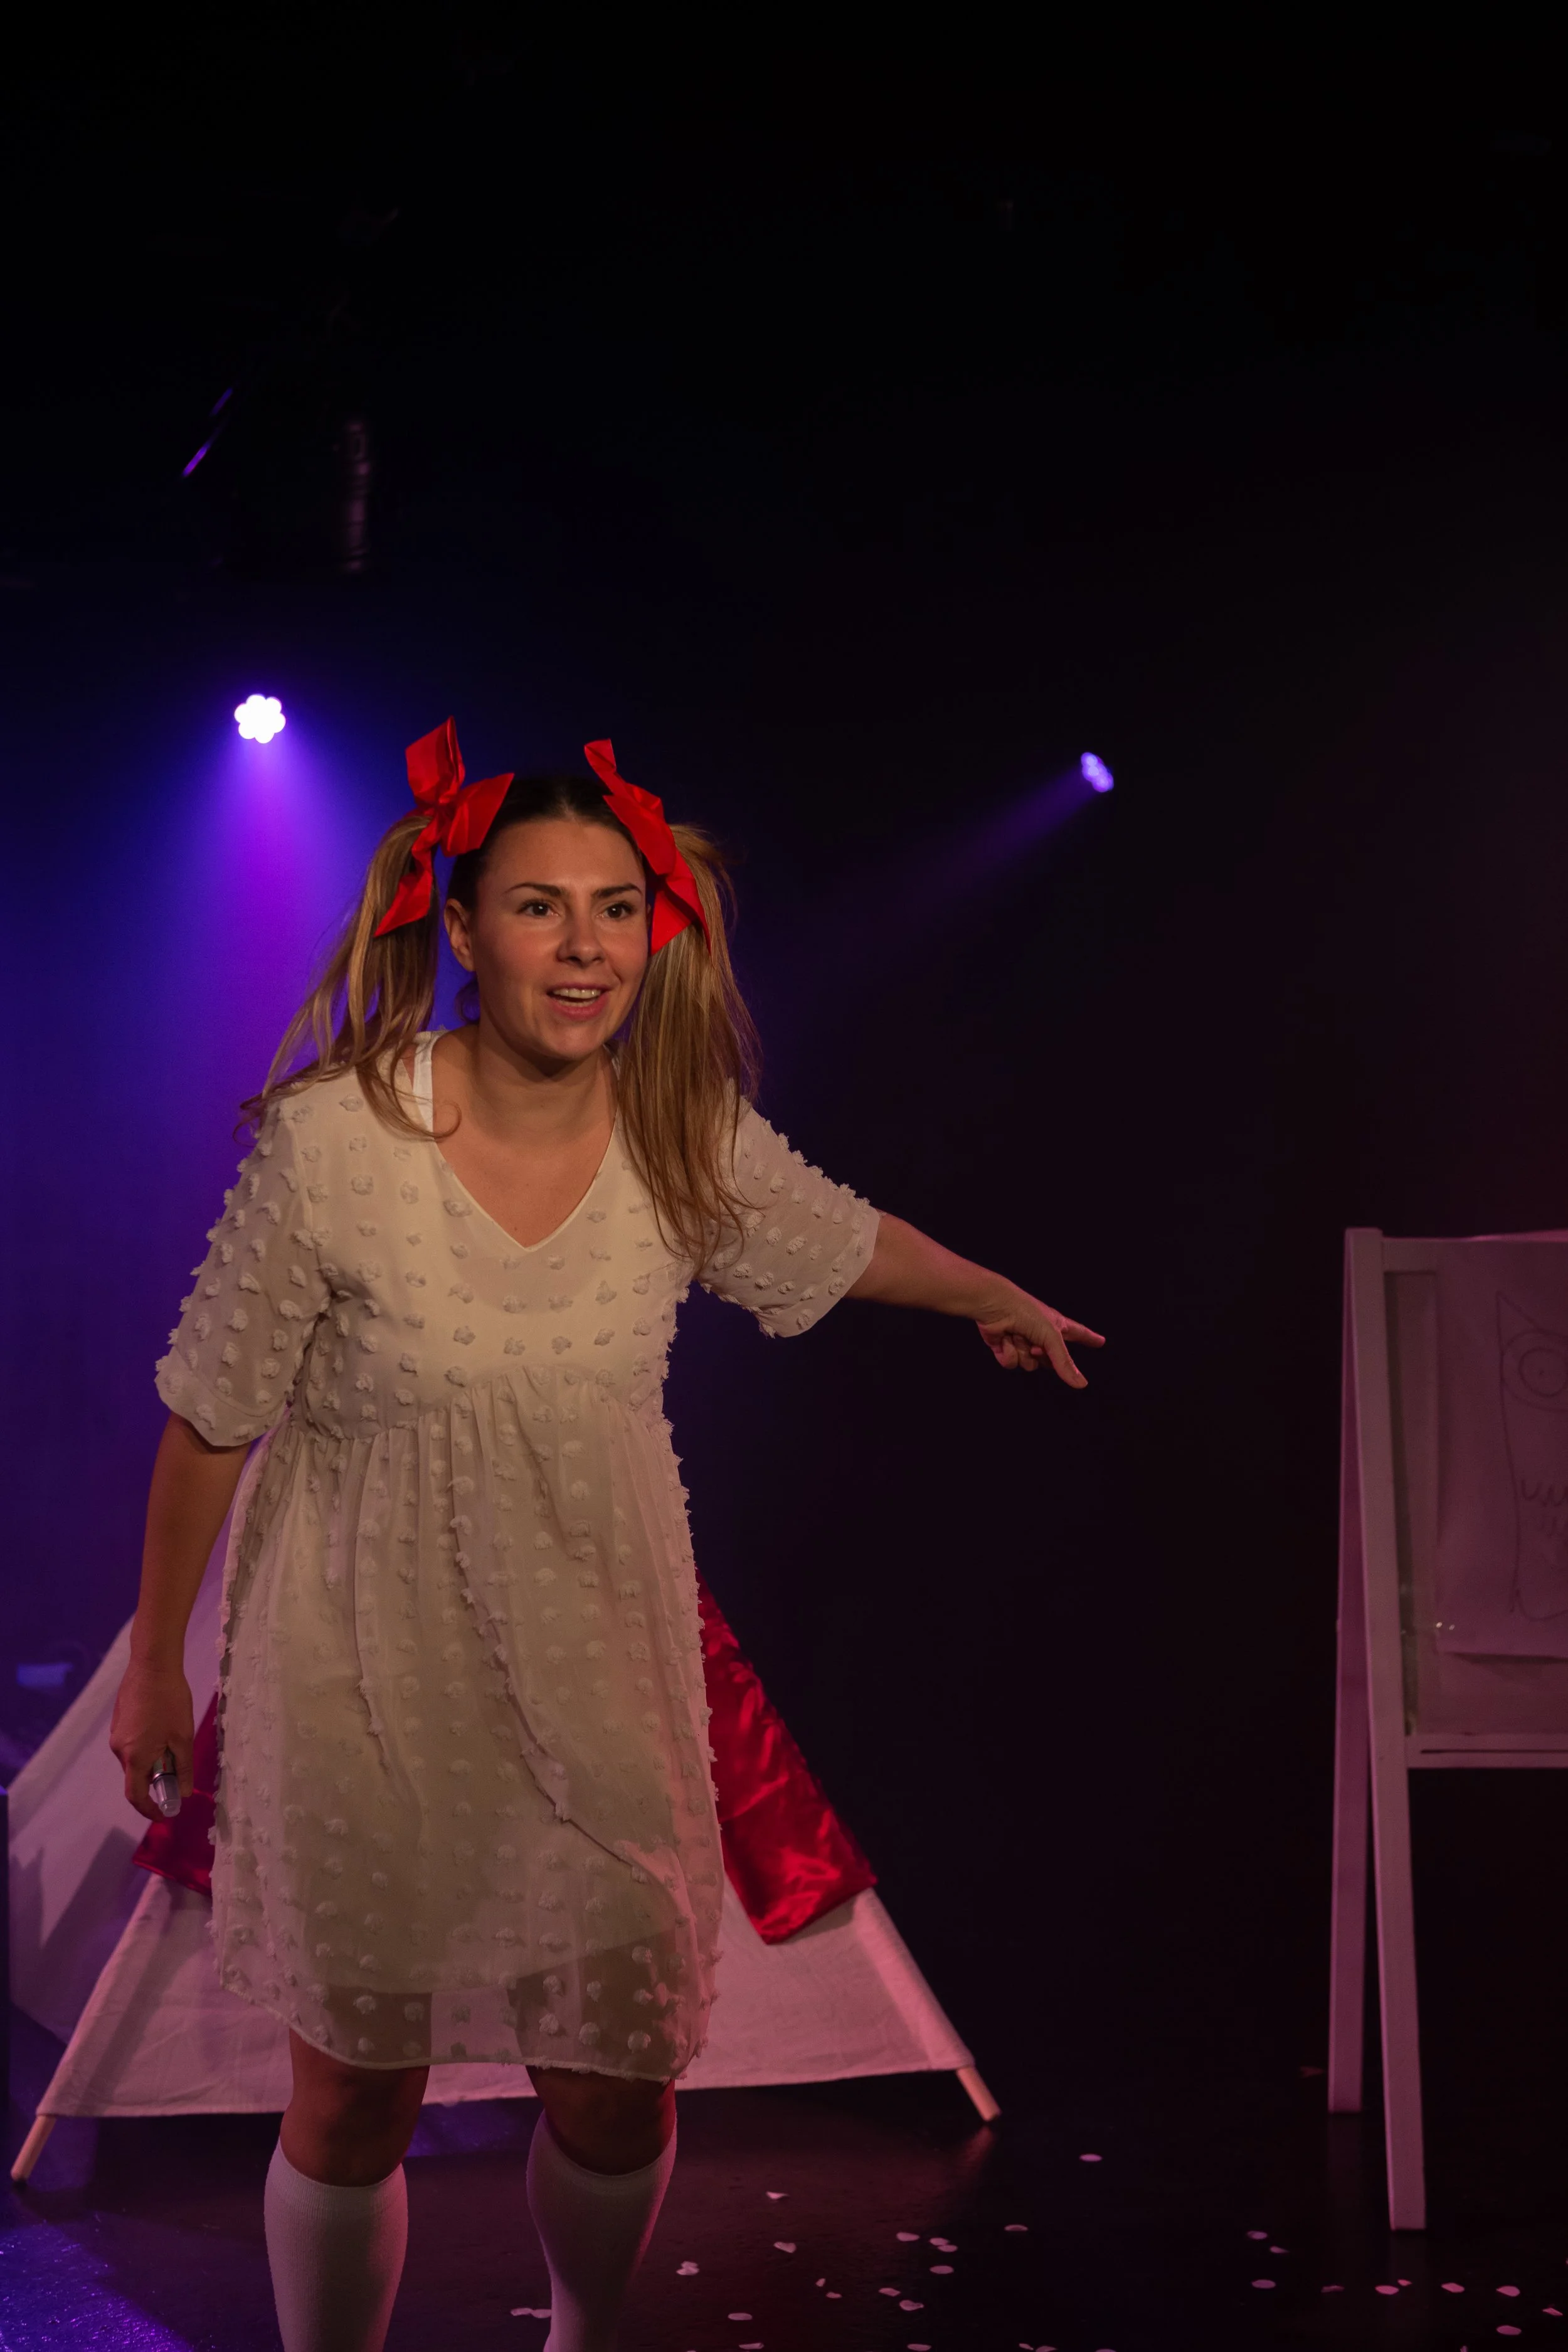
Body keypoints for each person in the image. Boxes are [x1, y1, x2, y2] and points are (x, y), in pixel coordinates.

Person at [109, 722, 1103, 2352]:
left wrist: (987, 1291)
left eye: (615, 908)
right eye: (539, 907)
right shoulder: (337, 1138)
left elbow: (837, 1237)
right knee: (356, 2088)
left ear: (655, 929)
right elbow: (213, 1413)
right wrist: (158, 1665)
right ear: (462, 926)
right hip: (361, 1665)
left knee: (616, 2075)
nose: (584, 947)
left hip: (589, 1657)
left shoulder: (675, 1128)